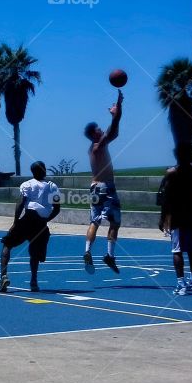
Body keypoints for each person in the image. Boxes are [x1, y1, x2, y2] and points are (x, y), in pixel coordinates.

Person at [0, 160, 61, 293]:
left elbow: (21, 203)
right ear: (44, 170)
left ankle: (3, 276)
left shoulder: (26, 185)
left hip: (28, 218)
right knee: (35, 253)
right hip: (41, 222)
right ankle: (33, 281)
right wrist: (45, 220)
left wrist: (15, 222)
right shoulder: (53, 187)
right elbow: (57, 209)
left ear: (33, 172)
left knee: (7, 244)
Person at [83, 89, 123, 274]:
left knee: (95, 221)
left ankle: (87, 251)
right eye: (98, 129)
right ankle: (109, 255)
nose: (101, 130)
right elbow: (111, 130)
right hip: (106, 187)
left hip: (94, 187)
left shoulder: (93, 148)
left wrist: (118, 113)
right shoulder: (98, 145)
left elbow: (114, 132)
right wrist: (118, 109)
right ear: (94, 134)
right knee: (115, 222)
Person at [159, 143, 192, 296]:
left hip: (178, 216)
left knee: (177, 250)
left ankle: (181, 283)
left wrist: (163, 218)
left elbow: (166, 198)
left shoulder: (172, 173)